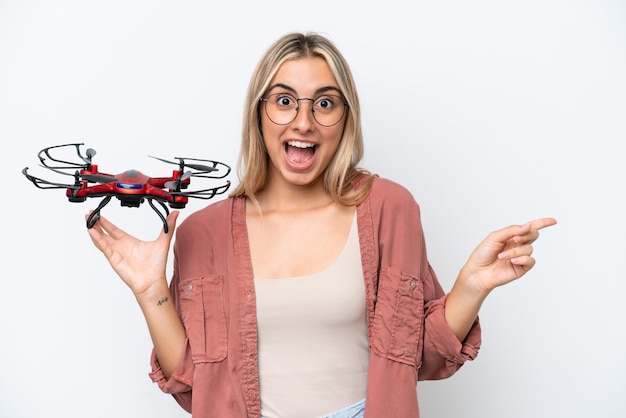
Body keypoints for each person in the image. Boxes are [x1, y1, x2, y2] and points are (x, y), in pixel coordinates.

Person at [87, 32, 556, 418]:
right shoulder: (202, 231)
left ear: (345, 118)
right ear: (259, 113)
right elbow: (194, 386)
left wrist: (471, 286)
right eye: (285, 100)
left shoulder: (389, 209)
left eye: (325, 103)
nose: (304, 121)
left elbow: (422, 357)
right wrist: (150, 290)